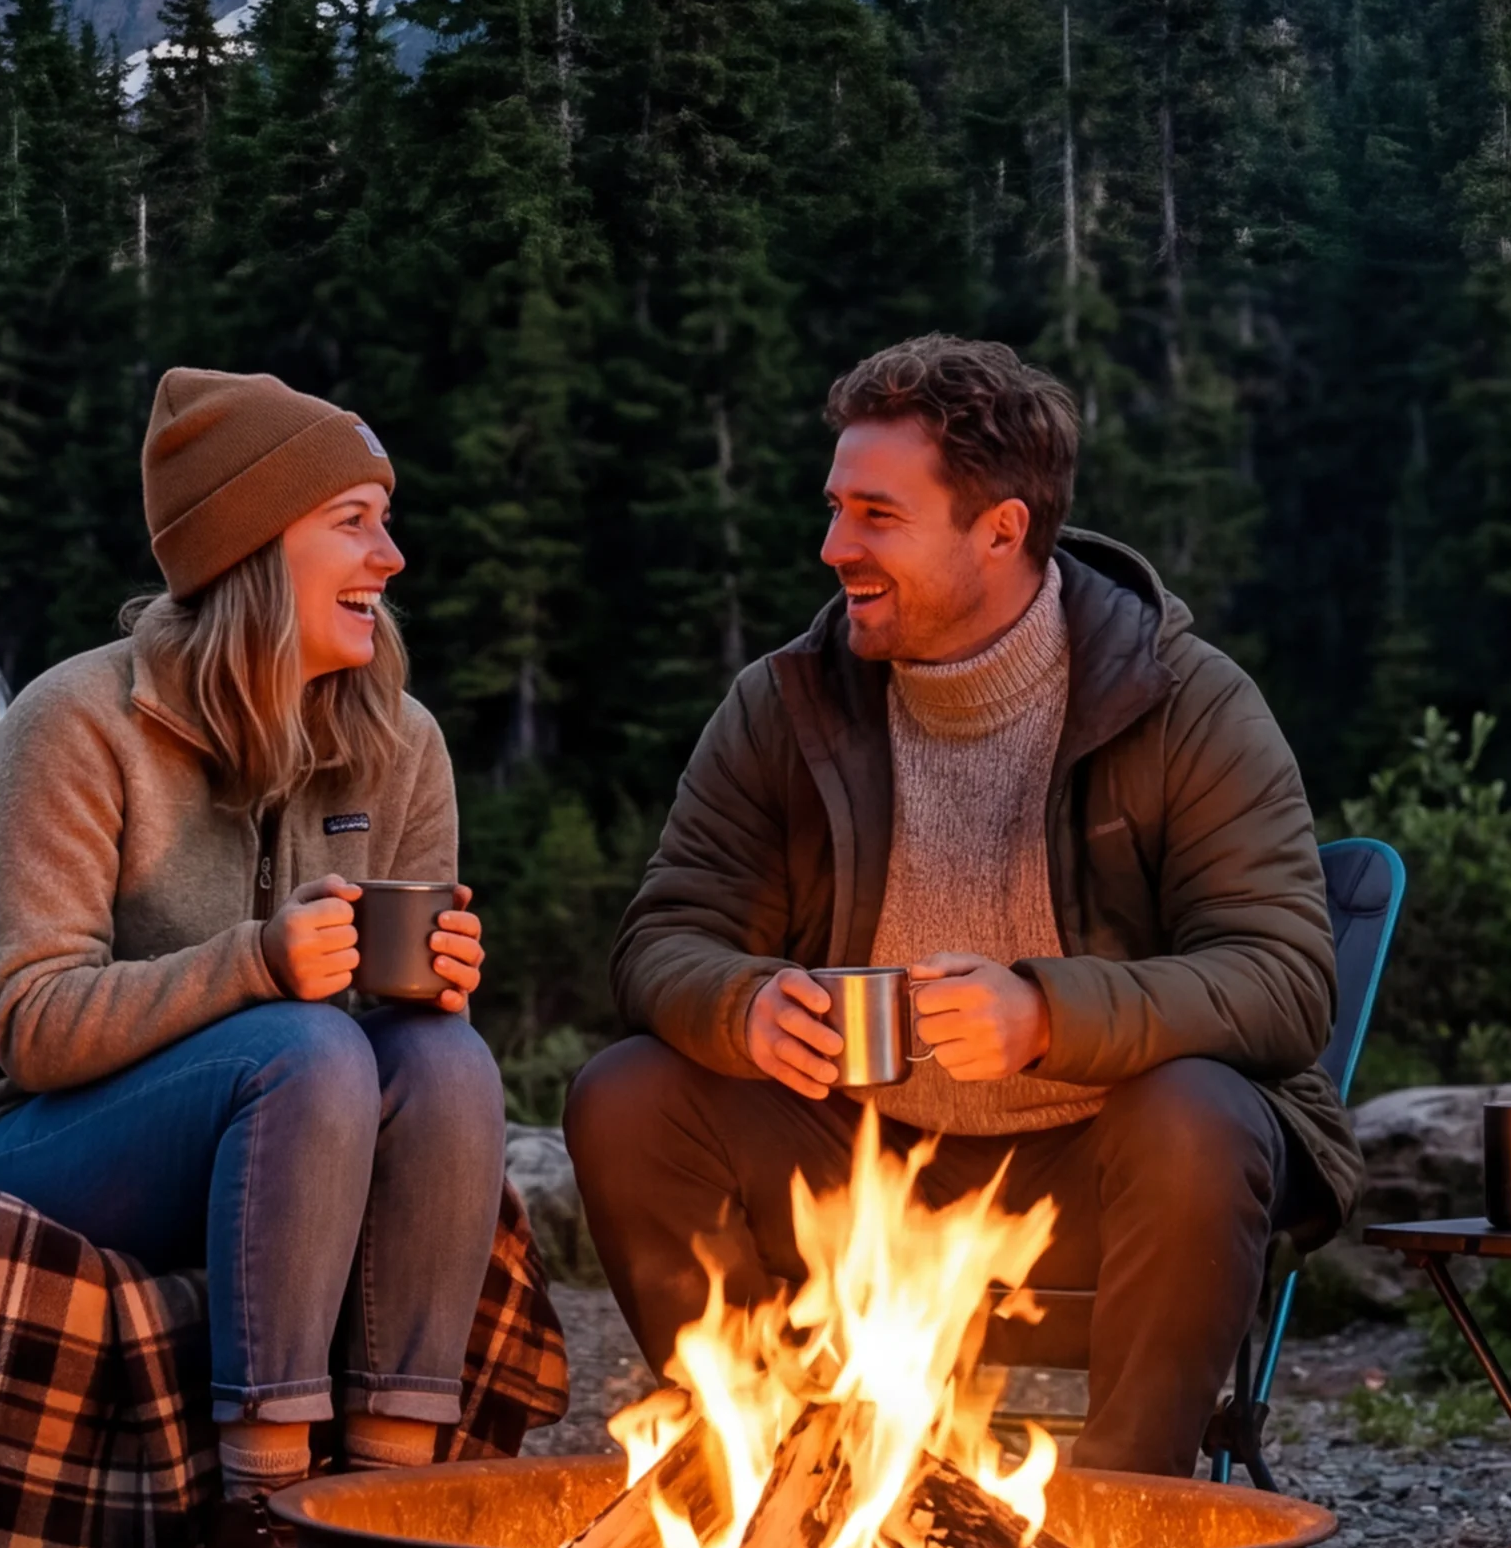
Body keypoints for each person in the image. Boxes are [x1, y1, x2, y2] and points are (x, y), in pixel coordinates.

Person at [563, 334, 1351, 1482]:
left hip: (1093, 1175)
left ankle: (1122, 1532)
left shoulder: (1180, 701)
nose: (832, 548)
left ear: (1000, 528)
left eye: (875, 516)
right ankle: (774, 1483)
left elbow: (1285, 978)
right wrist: (739, 1003)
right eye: (833, 509)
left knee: (1197, 1114)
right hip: (856, 1165)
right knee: (629, 1096)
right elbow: (659, 938)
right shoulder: (789, 702)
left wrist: (1045, 1015)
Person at [0, 367, 499, 1548]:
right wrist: (259, 963)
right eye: (354, 520)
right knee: (304, 1048)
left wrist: (432, 981)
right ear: (250, 544)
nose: (389, 556)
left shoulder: (397, 743)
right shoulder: (77, 726)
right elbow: (37, 1026)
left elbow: (378, 1051)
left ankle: (389, 1527)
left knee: (444, 1064)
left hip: (282, 1137)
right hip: (16, 1167)